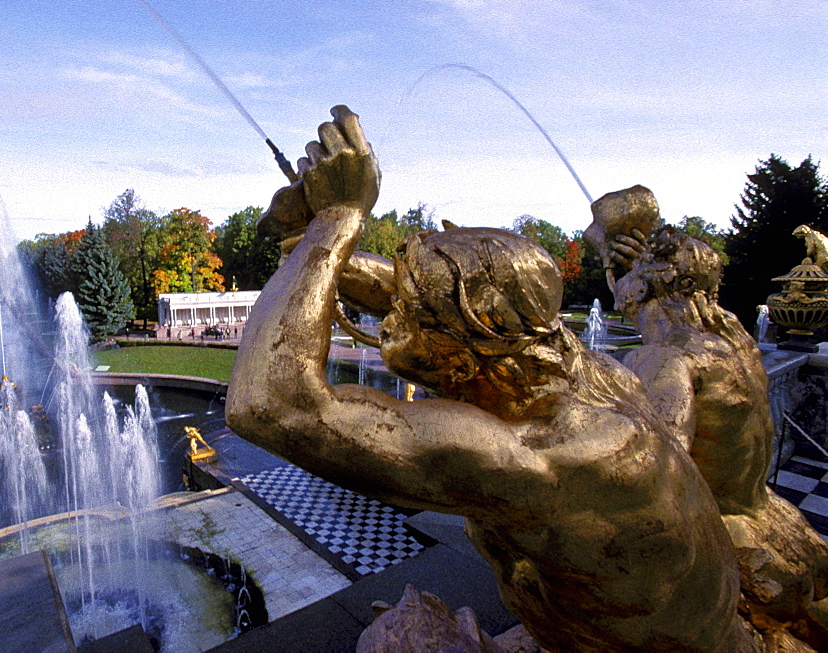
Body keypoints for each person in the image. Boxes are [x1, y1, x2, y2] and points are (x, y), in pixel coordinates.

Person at [227, 106, 756, 651]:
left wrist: (337, 219)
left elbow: (270, 407)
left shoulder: (537, 456)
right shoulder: (576, 367)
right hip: (670, 629)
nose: (389, 322)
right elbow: (420, 295)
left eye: (405, 316)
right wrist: (308, 234)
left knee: (398, 640)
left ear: (469, 341)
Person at [596, 208, 828, 647]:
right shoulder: (735, 345)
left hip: (740, 554)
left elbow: (652, 477)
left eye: (631, 275)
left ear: (643, 285)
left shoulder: (664, 359)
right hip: (783, 523)